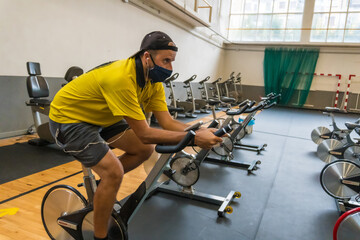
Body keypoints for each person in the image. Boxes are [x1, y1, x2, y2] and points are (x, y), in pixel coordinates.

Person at [49, 31, 222, 240]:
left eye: (172, 61)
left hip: (103, 117)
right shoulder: (122, 77)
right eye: (165, 60)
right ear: (147, 56)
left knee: (143, 151)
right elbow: (146, 133)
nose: (170, 67)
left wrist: (199, 129)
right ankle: (100, 237)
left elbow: (167, 123)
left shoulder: (153, 82)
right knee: (114, 172)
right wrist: (194, 139)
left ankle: (104, 187)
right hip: (68, 118)